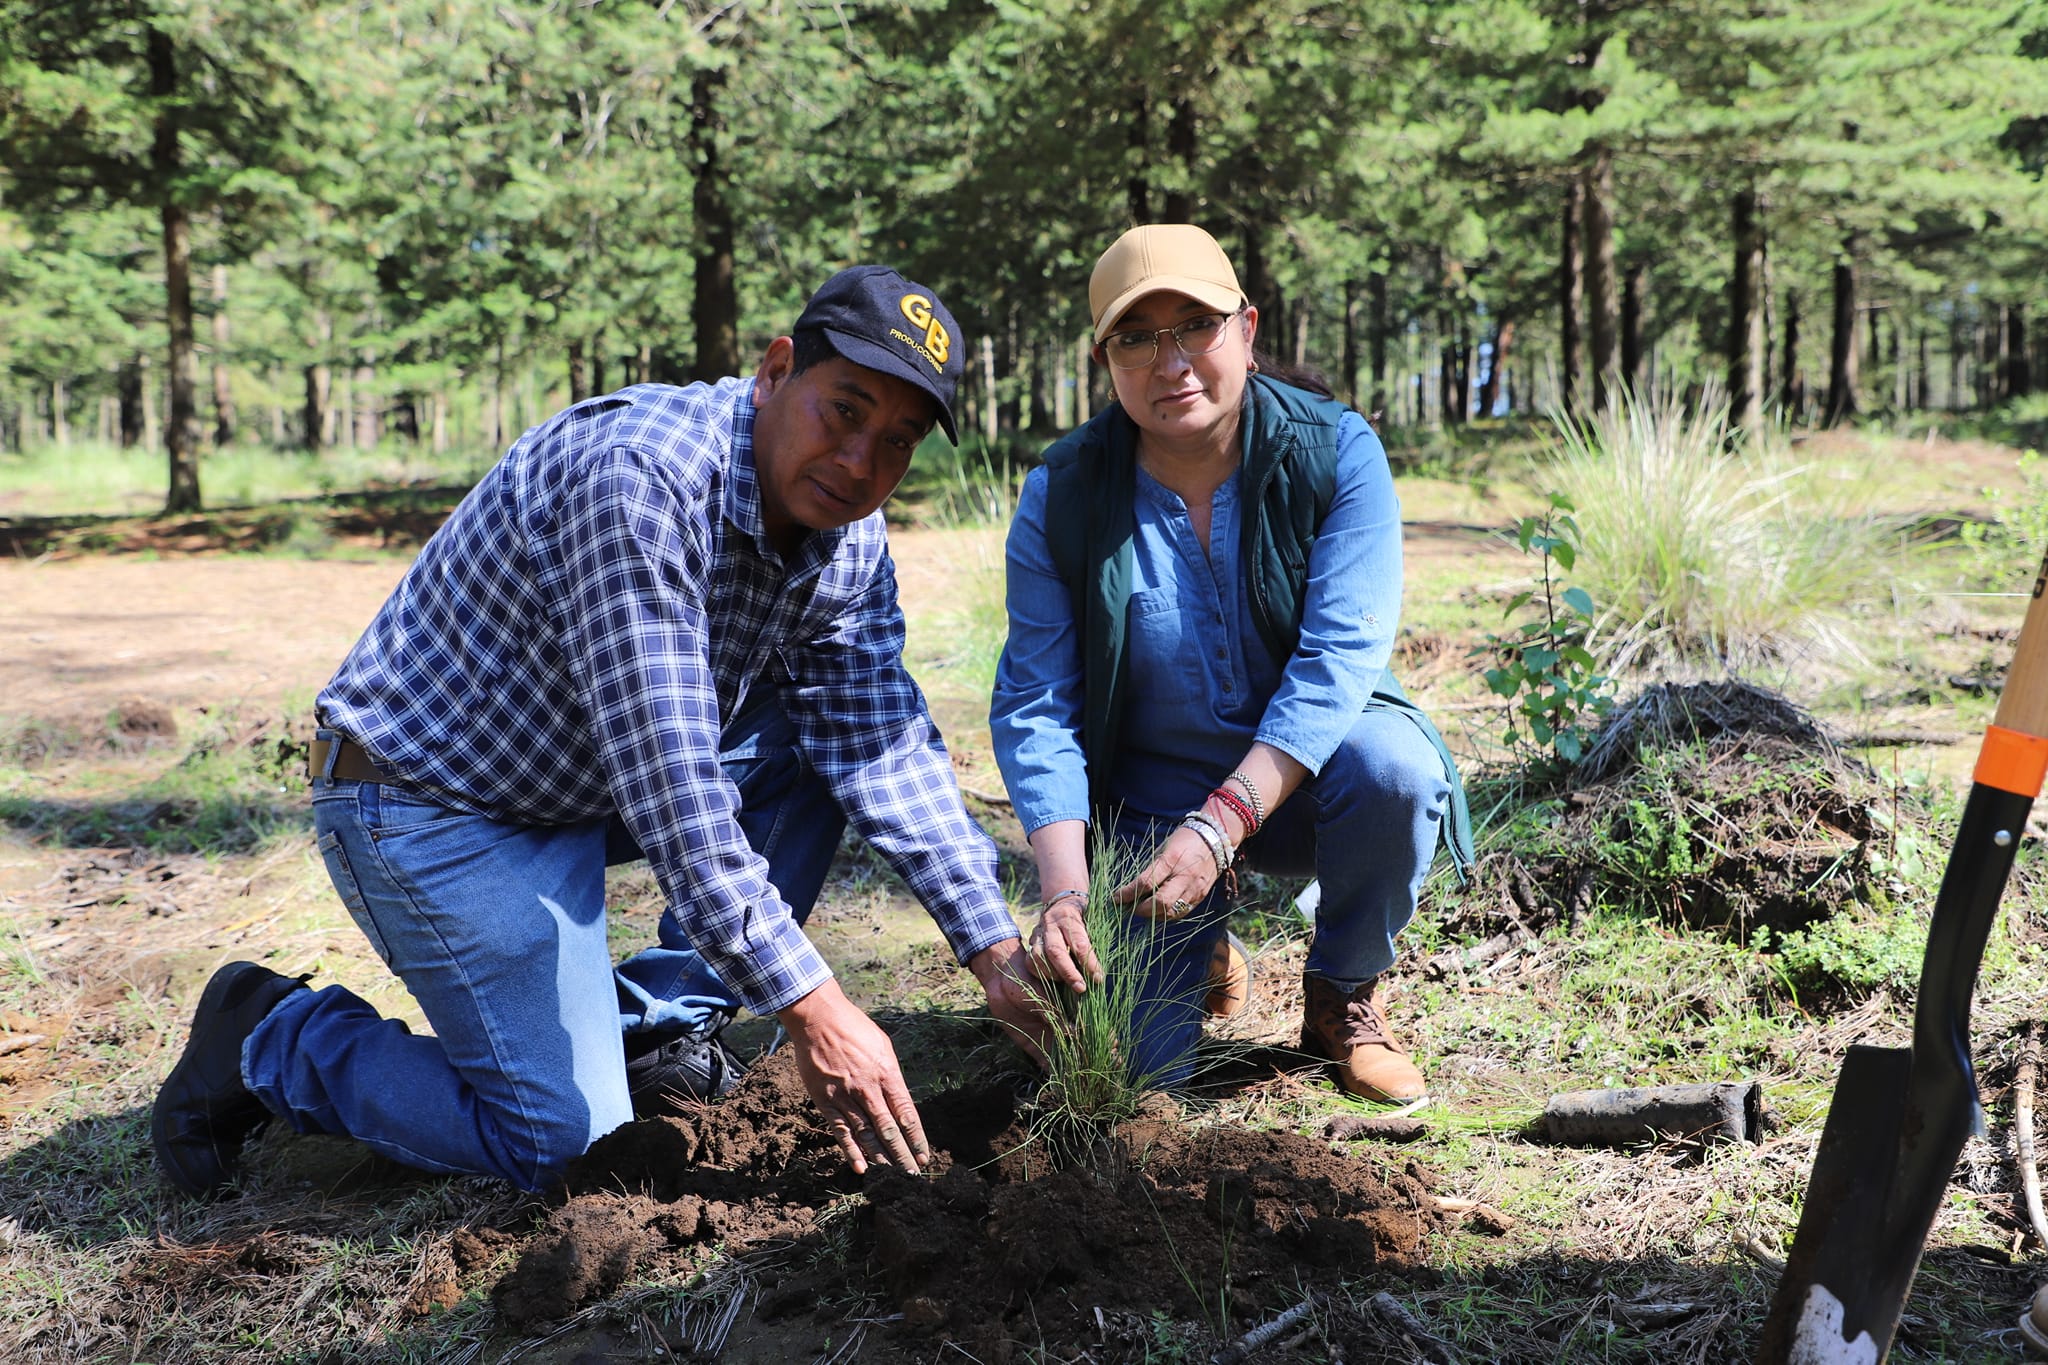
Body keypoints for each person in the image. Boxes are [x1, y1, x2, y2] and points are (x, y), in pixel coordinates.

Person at [152, 266, 1047, 1198]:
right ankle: (273, 1035)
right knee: (564, 1145)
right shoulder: (640, 478)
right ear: (777, 370)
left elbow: (879, 743)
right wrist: (814, 1009)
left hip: (571, 781)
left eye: (897, 442)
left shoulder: (846, 536)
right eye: (844, 412)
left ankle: (653, 1031)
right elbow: (677, 797)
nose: (862, 463)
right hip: (428, 803)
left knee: (825, 737)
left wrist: (996, 955)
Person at [990, 224, 1473, 1099]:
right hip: (1146, 813)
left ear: (1246, 331)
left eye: (1195, 326)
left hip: (1310, 787)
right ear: (1106, 359)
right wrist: (1063, 891)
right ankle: (1199, 937)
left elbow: (1337, 660)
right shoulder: (1063, 494)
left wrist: (1221, 824)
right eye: (1135, 336)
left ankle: (1342, 995)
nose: (1168, 361)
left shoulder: (1334, 452)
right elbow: (1036, 703)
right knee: (1133, 1079)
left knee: (1396, 767)